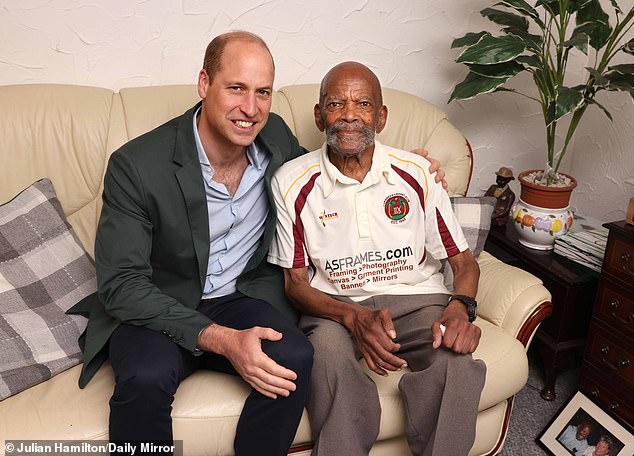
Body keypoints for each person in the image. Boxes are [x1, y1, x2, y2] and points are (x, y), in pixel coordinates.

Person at [67, 32, 446, 455]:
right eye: (236, 89)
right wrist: (222, 339)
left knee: (297, 357)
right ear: (204, 83)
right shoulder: (135, 165)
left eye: (262, 92)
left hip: (238, 297)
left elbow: (326, 172)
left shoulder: (275, 139)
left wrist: (406, 166)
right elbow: (122, 285)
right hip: (157, 304)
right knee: (147, 376)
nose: (250, 109)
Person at [268, 61, 486, 456]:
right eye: (336, 104)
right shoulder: (291, 182)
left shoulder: (418, 174)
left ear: (380, 117)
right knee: (329, 360)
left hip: (417, 302)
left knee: (455, 363)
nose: (350, 115)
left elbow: (464, 262)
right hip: (334, 307)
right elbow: (295, 285)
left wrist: (461, 306)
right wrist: (352, 316)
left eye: (363, 104)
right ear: (319, 116)